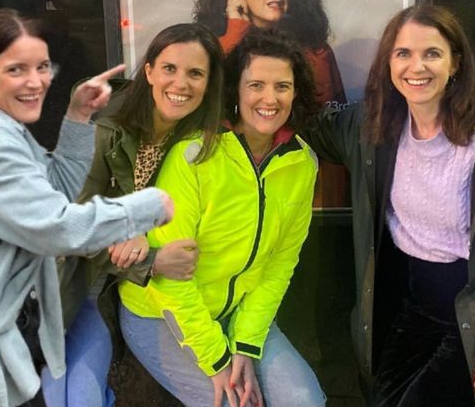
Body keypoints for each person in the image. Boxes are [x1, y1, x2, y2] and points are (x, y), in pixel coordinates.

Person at [303, 4, 475, 406]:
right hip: (411, 304)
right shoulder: (374, 127)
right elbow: (307, 126)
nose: (416, 67)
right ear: (389, 64)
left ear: (455, 62)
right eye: (403, 54)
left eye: (432, 54)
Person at [0, 9, 174, 407]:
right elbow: (58, 229)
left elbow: (54, 189)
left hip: (1, 345)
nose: (36, 81)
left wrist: (78, 116)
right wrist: (144, 208)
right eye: (16, 70)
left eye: (42, 67)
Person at [118, 28, 326, 407]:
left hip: (238, 313)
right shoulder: (195, 155)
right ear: (235, 91)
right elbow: (168, 279)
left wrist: (245, 345)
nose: (269, 98)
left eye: (282, 86)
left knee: (303, 400)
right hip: (161, 315)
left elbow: (280, 263)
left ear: (296, 93)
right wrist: (217, 360)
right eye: (256, 85)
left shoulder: (303, 163)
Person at [46, 22, 225, 407]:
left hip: (125, 297)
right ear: (148, 71)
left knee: (81, 397)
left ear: (209, 84)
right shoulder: (105, 127)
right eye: (169, 69)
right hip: (71, 288)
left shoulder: (199, 141)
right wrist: (150, 258)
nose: (181, 83)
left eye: (196, 73)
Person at [193, 0, 347, 207]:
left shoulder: (316, 54)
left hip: (299, 197)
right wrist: (236, 31)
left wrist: (331, 211)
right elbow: (207, 115)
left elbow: (331, 144)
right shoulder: (210, 47)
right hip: (223, 197)